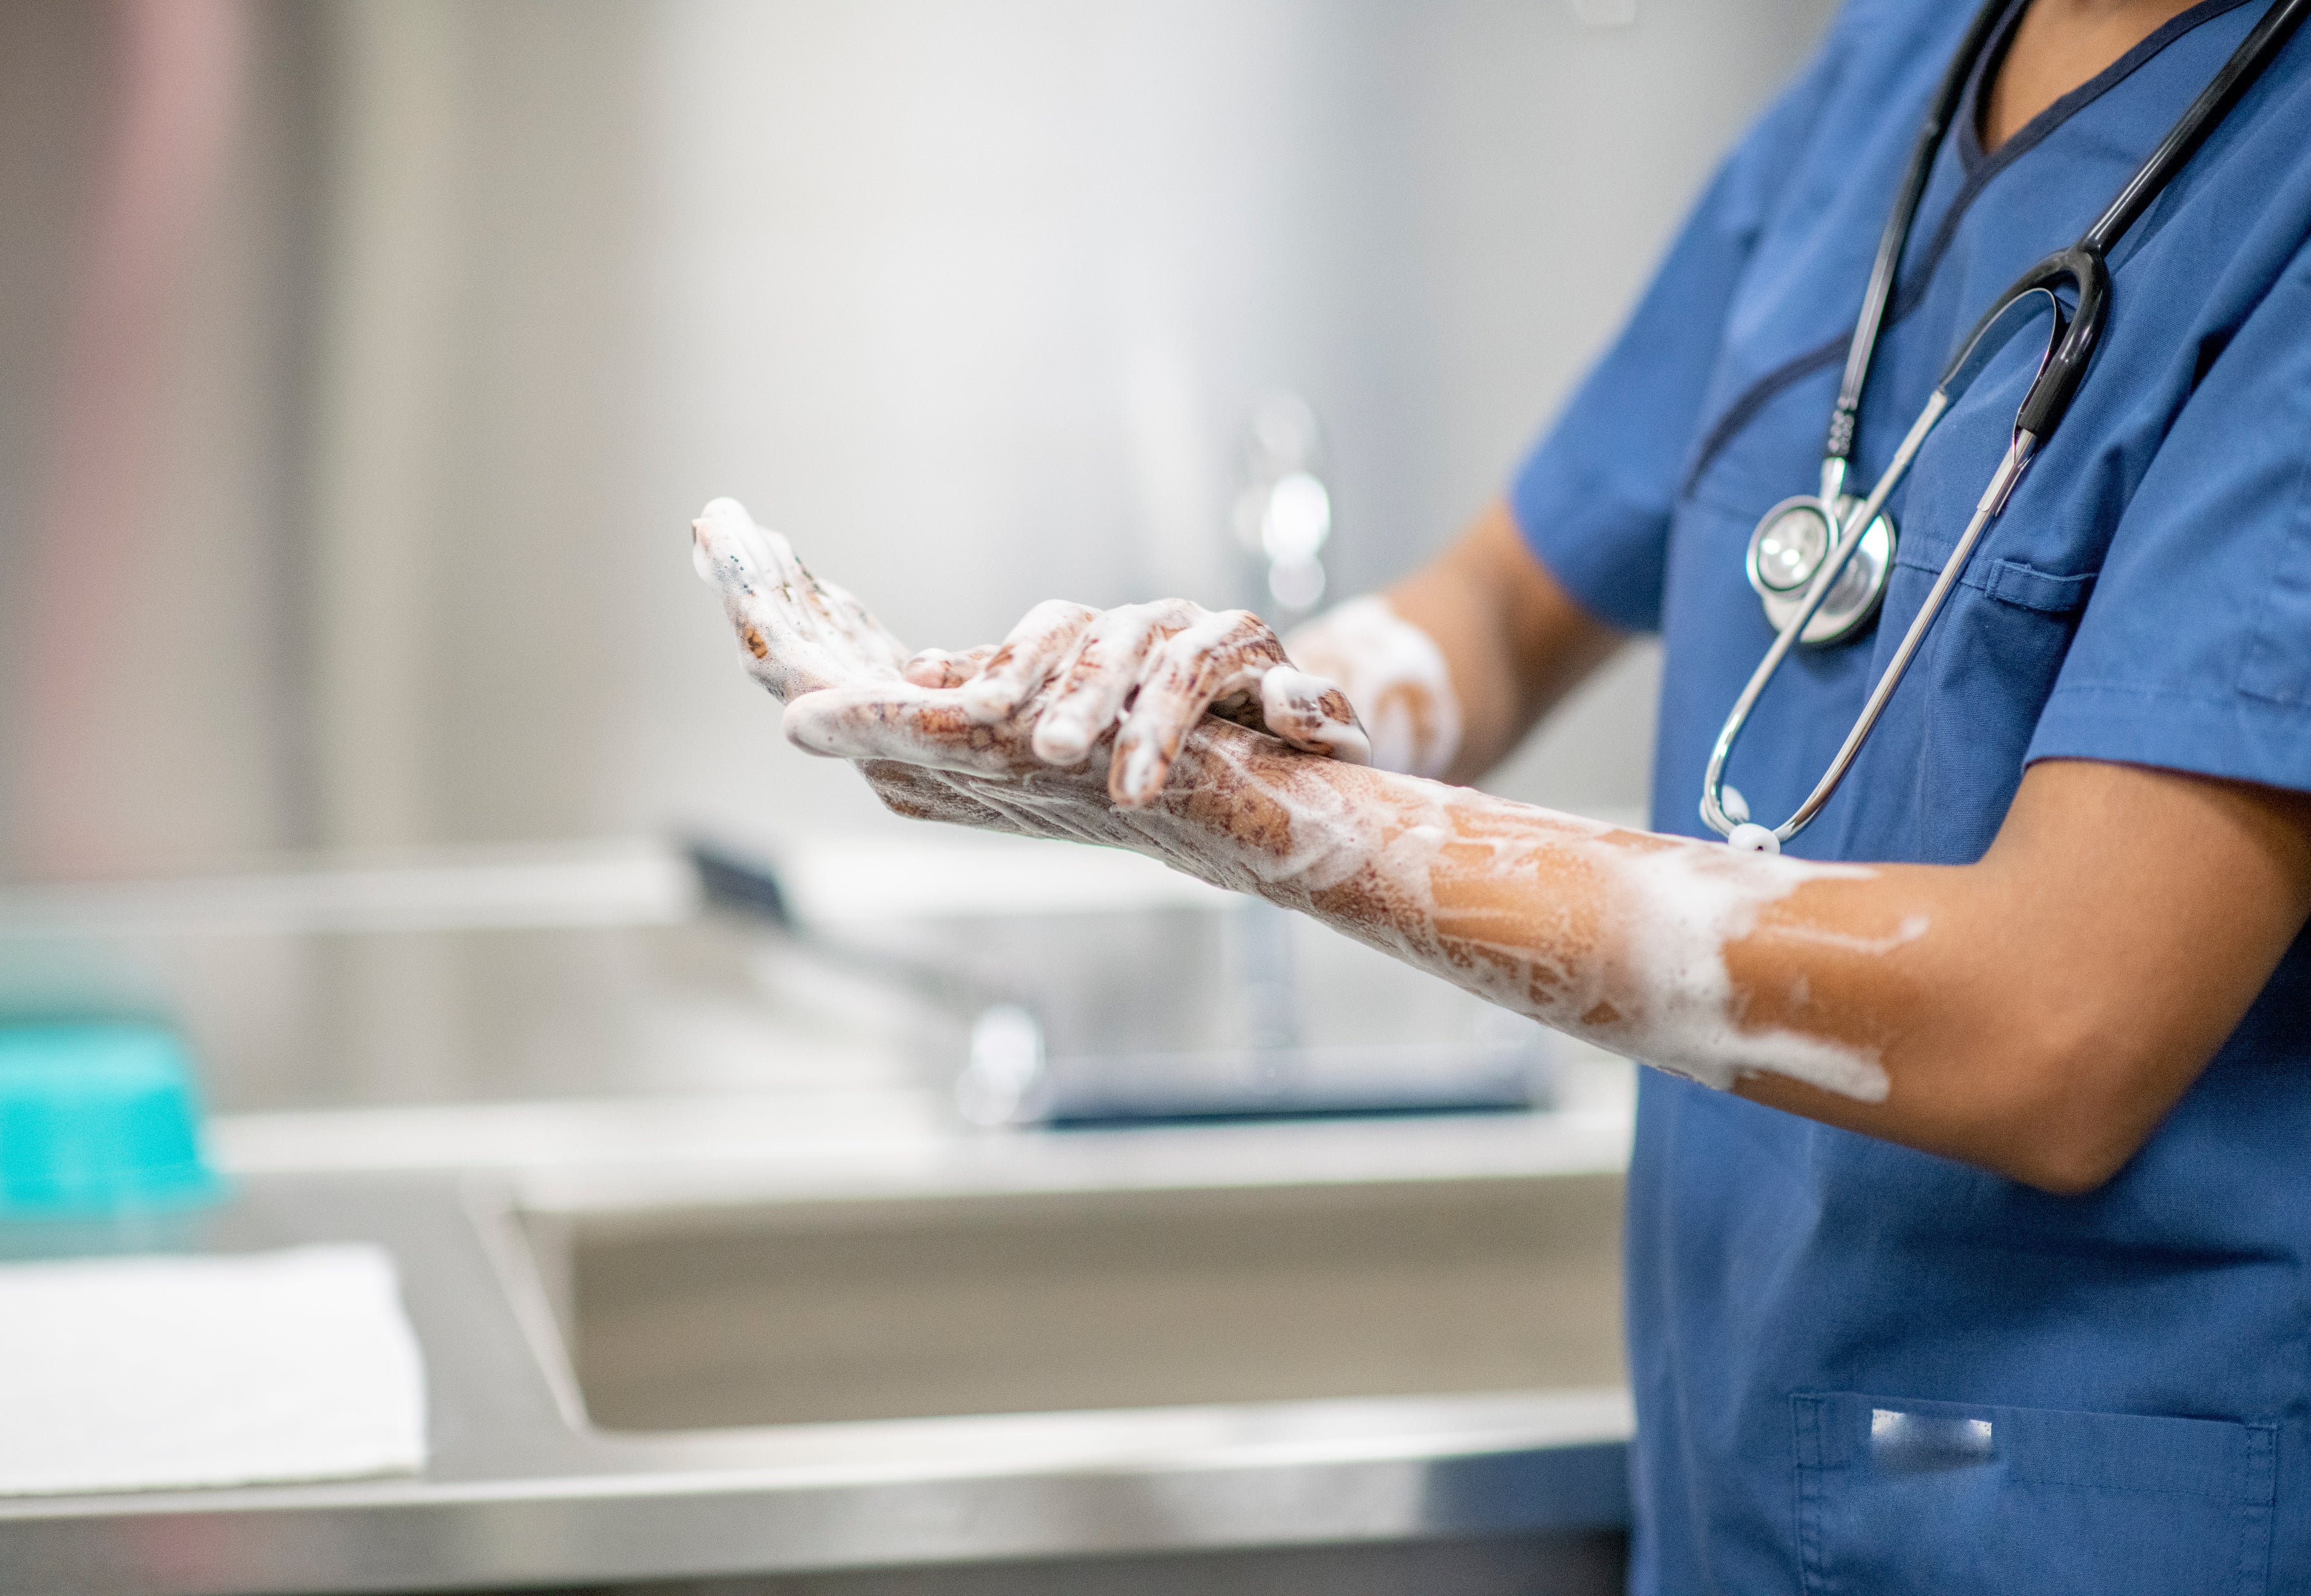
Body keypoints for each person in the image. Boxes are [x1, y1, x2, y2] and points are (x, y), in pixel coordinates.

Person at [696, 0, 2311, 1588]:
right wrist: (1211, 693)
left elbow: (2055, 1026)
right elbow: (1488, 618)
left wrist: (1262, 817)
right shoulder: (1908, 56)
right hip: (1741, 1481)